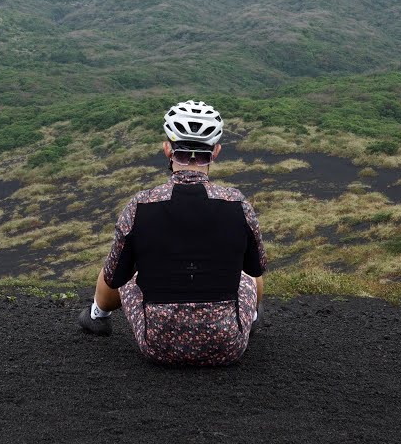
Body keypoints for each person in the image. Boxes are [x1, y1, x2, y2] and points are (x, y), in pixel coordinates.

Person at [77, 100, 266, 366]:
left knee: (120, 266)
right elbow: (255, 269)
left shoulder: (139, 206)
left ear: (167, 149)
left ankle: (97, 317)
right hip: (227, 348)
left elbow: (114, 276)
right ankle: (250, 321)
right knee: (247, 273)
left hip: (158, 347)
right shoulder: (238, 203)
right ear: (216, 151)